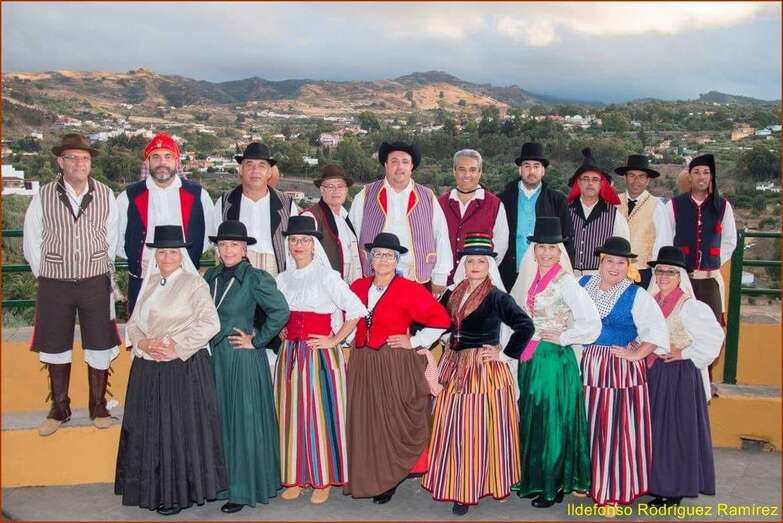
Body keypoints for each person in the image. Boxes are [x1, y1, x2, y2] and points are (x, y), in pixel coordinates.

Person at [114, 225, 225, 516]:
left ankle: (177, 494)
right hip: (149, 367)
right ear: (155, 254)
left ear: (182, 255)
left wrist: (175, 346)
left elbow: (210, 323)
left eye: (173, 252)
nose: (166, 257)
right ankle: (150, 489)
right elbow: (135, 323)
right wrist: (144, 343)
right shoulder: (149, 284)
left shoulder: (193, 284)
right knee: (149, 429)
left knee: (176, 430)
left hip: (182, 368)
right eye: (161, 251)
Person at [422, 233, 534, 516]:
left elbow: (525, 325)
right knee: (452, 427)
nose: (475, 265)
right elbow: (436, 321)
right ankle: (455, 482)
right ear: (463, 264)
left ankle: (471, 488)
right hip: (453, 364)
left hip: (482, 371)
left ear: (488, 266)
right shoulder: (452, 292)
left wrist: (504, 354)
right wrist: (441, 338)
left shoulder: (497, 297)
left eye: (481, 261)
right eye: (470, 260)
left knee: (476, 430)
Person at [23, 133, 120, 436]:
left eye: (85, 158)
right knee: (54, 344)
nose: (80, 163)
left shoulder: (105, 193)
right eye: (73, 158)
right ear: (60, 161)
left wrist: (97, 266)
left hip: (95, 279)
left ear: (90, 163)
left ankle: (97, 404)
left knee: (101, 342)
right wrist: (47, 273)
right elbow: (31, 239)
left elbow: (111, 238)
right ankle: (59, 407)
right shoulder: (43, 196)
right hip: (55, 281)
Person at [345, 232, 451, 504]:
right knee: (368, 421)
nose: (383, 260)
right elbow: (346, 317)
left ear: (397, 260)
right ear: (370, 259)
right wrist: (345, 339)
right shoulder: (357, 286)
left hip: (392, 361)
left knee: (391, 420)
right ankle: (369, 474)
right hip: (362, 362)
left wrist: (413, 340)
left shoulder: (410, 289)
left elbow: (441, 320)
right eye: (378, 254)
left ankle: (390, 477)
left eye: (389, 255)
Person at [509, 217, 601, 508]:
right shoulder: (530, 279)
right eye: (541, 247)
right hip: (532, 358)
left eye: (552, 248)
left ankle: (553, 484)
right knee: (532, 417)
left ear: (560, 252)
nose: (547, 253)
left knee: (552, 422)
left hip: (554, 359)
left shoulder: (567, 282)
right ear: (534, 250)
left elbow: (592, 323)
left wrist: (564, 336)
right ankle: (533, 478)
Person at [275, 216, 368, 504]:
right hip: (290, 355)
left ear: (314, 246)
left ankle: (322, 478)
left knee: (319, 415)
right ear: (288, 246)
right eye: (293, 241)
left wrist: (334, 339)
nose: (298, 245)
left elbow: (356, 310)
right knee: (292, 415)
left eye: (304, 241)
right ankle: (296, 476)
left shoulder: (328, 277)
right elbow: (278, 312)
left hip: (319, 357)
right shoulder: (283, 278)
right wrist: (281, 329)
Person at [203, 220, 290, 513]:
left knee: (243, 422)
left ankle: (244, 489)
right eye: (223, 244)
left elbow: (280, 311)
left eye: (234, 245)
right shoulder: (211, 276)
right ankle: (225, 483)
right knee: (222, 420)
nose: (228, 250)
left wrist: (258, 340)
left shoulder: (256, 278)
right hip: (216, 359)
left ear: (244, 249)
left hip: (243, 358)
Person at [578, 236, 669, 513]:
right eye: (609, 261)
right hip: (584, 363)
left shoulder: (635, 294)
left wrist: (636, 354)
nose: (614, 267)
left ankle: (613, 491)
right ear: (600, 261)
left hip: (617, 370)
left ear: (628, 265)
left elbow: (655, 329)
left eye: (621, 262)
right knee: (587, 425)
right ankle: (590, 481)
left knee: (613, 429)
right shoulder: (581, 286)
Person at [646, 246, 723, 507]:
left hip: (679, 377)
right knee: (657, 431)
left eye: (670, 272)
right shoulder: (652, 302)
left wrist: (685, 352)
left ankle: (675, 488)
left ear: (680, 276)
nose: (664, 276)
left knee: (676, 432)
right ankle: (659, 484)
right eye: (660, 271)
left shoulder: (691, 306)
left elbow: (714, 337)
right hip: (656, 375)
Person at [117, 132, 215, 314]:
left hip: (185, 278)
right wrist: (140, 261)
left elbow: (207, 236)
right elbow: (119, 238)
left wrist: (182, 262)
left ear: (177, 162)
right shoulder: (129, 196)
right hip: (143, 279)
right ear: (147, 162)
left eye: (168, 156)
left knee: (184, 333)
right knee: (142, 336)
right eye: (156, 157)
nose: (162, 162)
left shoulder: (198, 195)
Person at [349, 141, 452, 296]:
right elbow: (352, 238)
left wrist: (440, 276)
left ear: (412, 166)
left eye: (405, 162)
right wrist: (354, 275)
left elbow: (441, 236)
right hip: (374, 278)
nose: (400, 167)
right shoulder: (365, 195)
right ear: (385, 165)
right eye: (394, 161)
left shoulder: (427, 196)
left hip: (417, 279)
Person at [653, 154, 737, 326]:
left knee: (710, 331)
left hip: (710, 281)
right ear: (690, 177)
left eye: (706, 172)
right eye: (697, 172)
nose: (701, 177)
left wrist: (713, 261)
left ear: (711, 177)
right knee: (678, 328)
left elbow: (729, 240)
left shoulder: (722, 206)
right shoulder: (674, 205)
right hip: (681, 280)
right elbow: (664, 241)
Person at [214, 142, 299, 276]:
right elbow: (216, 242)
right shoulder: (225, 202)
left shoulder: (286, 204)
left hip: (275, 271)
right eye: (249, 165)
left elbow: (294, 243)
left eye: (262, 165)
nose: (255, 171)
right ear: (241, 170)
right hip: (236, 270)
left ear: (269, 172)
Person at [498, 142, 572, 290]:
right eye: (527, 166)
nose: (531, 171)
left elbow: (568, 239)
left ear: (543, 170)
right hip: (510, 273)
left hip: (546, 274)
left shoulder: (558, 201)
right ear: (520, 170)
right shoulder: (503, 200)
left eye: (536, 166)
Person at [438, 149, 509, 285]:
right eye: (462, 169)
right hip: (445, 283)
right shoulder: (441, 203)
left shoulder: (494, 204)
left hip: (479, 282)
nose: (467, 175)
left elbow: (501, 245)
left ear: (480, 172)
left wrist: (482, 272)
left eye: (472, 170)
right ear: (454, 171)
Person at [567, 148, 630, 277]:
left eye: (595, 179)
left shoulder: (614, 216)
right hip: (568, 275)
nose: (590, 183)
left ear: (601, 184)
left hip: (600, 277)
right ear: (578, 183)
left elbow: (622, 253)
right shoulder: (565, 211)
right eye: (585, 179)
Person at [301, 164, 362, 283]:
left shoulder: (346, 218)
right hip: (323, 289)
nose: (336, 191)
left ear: (346, 191)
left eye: (340, 186)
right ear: (322, 190)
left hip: (346, 289)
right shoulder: (310, 217)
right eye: (330, 186)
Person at [615, 155, 665, 288]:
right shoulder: (613, 203)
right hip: (614, 271)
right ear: (624, 178)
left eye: (641, 176)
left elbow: (662, 243)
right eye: (631, 175)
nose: (636, 181)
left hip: (643, 273)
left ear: (648, 180)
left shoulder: (658, 206)